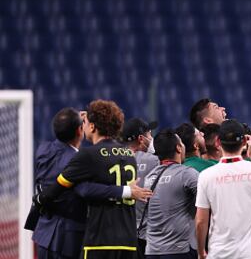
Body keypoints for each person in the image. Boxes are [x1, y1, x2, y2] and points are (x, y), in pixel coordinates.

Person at [35, 100, 152, 259]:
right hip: (129, 240)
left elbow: (82, 189)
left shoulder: (87, 155)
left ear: (92, 126)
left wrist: (40, 198)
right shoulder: (129, 156)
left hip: (100, 240)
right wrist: (126, 191)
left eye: (87, 121)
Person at [195, 119, 251, 259]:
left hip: (220, 254)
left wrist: (201, 252)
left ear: (218, 142)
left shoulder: (206, 176)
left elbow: (201, 221)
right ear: (245, 141)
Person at [144, 129, 199, 259]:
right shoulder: (187, 174)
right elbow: (207, 202)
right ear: (179, 148)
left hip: (152, 251)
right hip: (179, 251)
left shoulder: (149, 177)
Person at [121, 117, 160, 258]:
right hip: (146, 235)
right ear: (141, 139)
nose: (151, 138)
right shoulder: (154, 160)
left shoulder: (114, 160)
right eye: (149, 134)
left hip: (120, 232)